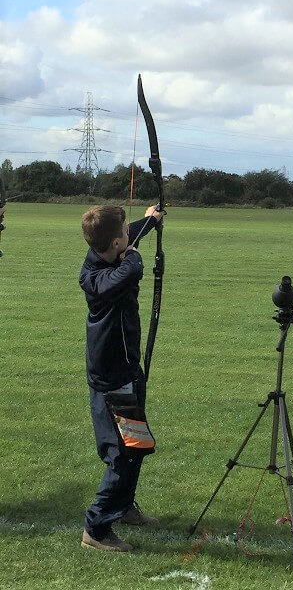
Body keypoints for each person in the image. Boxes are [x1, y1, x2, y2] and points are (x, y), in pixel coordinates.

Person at [79, 204, 164, 552]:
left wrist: (150, 220)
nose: (130, 235)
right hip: (115, 379)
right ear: (116, 243)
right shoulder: (102, 279)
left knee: (134, 447)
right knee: (125, 452)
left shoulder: (102, 254)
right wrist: (135, 257)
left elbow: (124, 244)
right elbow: (129, 268)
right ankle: (96, 529)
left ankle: (124, 506)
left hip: (119, 371)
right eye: (126, 232)